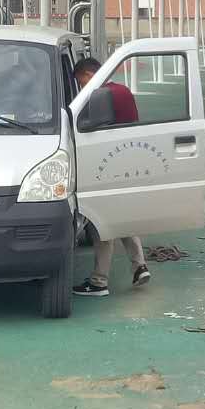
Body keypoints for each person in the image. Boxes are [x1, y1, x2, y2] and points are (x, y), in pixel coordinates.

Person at [72, 56, 148, 297]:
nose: (82, 87)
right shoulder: (123, 91)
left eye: (81, 82)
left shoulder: (101, 96)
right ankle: (139, 266)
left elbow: (93, 131)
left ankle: (99, 281)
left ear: (89, 74)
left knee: (101, 223)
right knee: (122, 217)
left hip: (109, 165)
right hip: (128, 160)